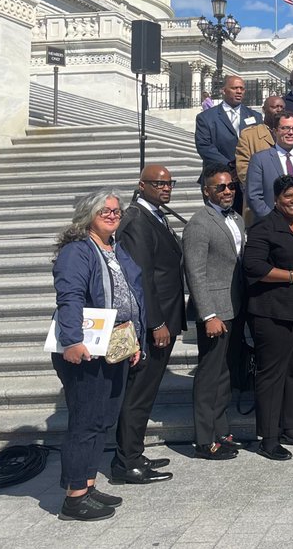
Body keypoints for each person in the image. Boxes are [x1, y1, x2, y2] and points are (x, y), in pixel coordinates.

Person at [51, 189, 145, 521]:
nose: (112, 214)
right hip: (87, 346)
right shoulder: (77, 251)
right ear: (88, 214)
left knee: (104, 419)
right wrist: (73, 340)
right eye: (104, 210)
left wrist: (135, 342)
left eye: (116, 211)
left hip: (116, 342)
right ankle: (74, 496)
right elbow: (70, 296)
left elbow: (133, 295)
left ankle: (88, 485)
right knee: (86, 420)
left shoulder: (116, 250)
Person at [242, 175, 293, 460]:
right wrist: (290, 276)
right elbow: (252, 266)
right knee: (271, 375)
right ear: (276, 199)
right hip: (272, 313)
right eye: (288, 196)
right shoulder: (265, 227)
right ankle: (268, 438)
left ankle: (292, 429)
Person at [112, 166, 182, 485]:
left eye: (169, 183)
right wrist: (156, 323)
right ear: (142, 185)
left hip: (165, 315)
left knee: (146, 390)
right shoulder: (137, 219)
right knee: (138, 393)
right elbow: (142, 277)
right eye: (159, 183)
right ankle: (126, 462)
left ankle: (134, 452)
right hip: (154, 321)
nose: (165, 188)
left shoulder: (154, 214)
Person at [183, 165, 246, 461]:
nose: (227, 191)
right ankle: (204, 439)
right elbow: (195, 273)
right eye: (220, 188)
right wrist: (208, 315)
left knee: (223, 374)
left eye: (230, 186)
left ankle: (221, 431)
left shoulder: (236, 218)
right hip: (215, 311)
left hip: (234, 307)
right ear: (206, 191)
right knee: (209, 375)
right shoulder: (199, 223)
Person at [194, 76, 261, 212]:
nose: (239, 91)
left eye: (242, 88)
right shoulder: (206, 117)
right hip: (218, 180)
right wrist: (231, 167)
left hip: (246, 180)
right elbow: (204, 147)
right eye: (234, 88)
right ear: (224, 90)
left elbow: (259, 145)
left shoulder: (255, 117)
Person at [245, 112, 293, 220]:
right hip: (271, 225)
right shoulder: (260, 159)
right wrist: (274, 220)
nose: (291, 132)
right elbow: (253, 196)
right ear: (275, 131)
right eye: (285, 128)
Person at [234, 95, 283, 185]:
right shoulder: (249, 135)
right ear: (264, 109)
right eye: (274, 107)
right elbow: (243, 168)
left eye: (281, 107)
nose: (279, 110)